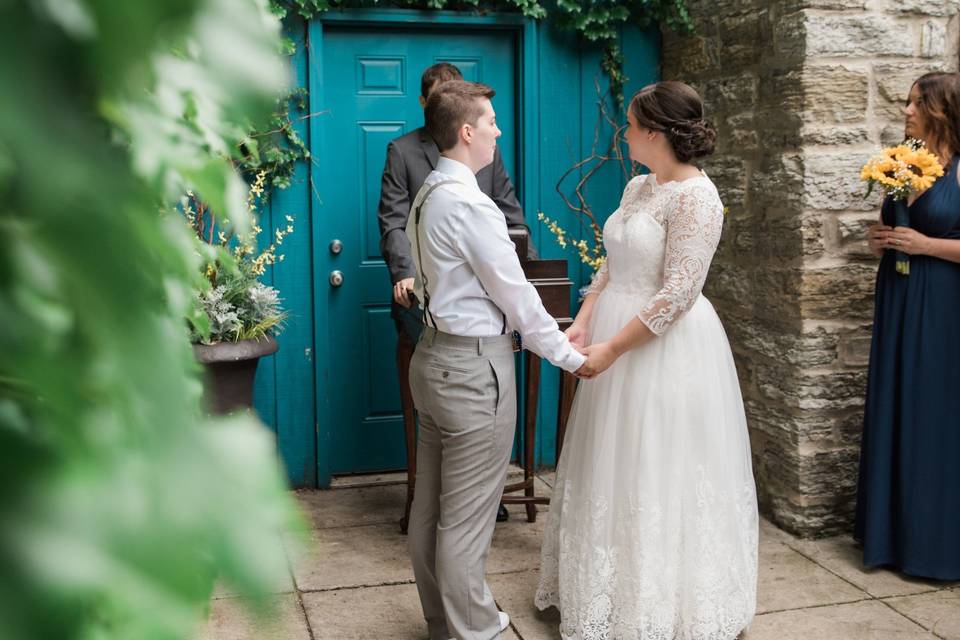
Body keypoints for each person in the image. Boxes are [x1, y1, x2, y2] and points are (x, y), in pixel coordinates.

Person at [535, 81, 758, 639]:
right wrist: (585, 319)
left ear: (656, 132)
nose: (624, 132)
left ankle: (660, 604)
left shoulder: (698, 199)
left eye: (631, 124)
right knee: (610, 463)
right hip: (612, 329)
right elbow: (612, 263)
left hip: (665, 347)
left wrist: (612, 348)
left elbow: (679, 293)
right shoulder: (638, 186)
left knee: (658, 464)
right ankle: (602, 591)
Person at [405, 80, 589, 640]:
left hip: (431, 360)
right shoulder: (470, 206)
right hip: (472, 371)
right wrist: (570, 358)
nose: (497, 131)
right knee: (465, 522)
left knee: (430, 513)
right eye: (490, 123)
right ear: (467, 132)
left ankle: (444, 624)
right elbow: (518, 299)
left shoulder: (429, 193)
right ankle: (478, 630)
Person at [378, 62, 532, 525]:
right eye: (439, 96)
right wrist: (404, 273)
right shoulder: (403, 150)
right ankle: (423, 499)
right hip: (422, 299)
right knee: (437, 411)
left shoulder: (487, 151)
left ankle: (482, 493)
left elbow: (510, 213)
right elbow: (393, 219)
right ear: (427, 104)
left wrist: (521, 269)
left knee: (485, 402)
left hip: (488, 303)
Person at [856, 72, 960, 580]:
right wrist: (883, 239)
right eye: (908, 102)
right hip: (897, 297)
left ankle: (935, 545)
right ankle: (891, 539)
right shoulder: (901, 163)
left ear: (943, 109)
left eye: (917, 103)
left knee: (935, 413)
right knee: (897, 404)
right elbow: (895, 224)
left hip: (944, 306)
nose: (907, 110)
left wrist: (927, 246)